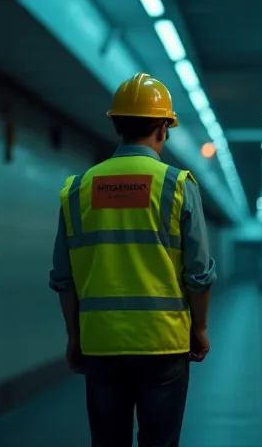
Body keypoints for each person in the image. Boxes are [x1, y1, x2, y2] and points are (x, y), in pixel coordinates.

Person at [48, 72, 216, 447]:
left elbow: (64, 277)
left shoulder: (77, 190)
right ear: (161, 127)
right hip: (163, 343)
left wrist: (75, 336)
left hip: (102, 343)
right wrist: (199, 328)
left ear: (117, 125)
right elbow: (199, 273)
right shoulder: (176, 185)